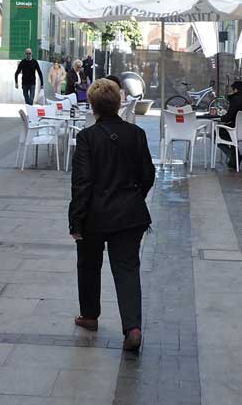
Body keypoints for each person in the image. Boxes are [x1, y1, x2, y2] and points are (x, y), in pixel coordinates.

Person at [69, 79, 156, 352]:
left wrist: (76, 220)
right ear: (119, 104)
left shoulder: (86, 138)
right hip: (130, 214)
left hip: (94, 215)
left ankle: (90, 315)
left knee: (88, 264)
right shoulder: (136, 134)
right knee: (127, 268)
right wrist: (134, 197)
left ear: (92, 106)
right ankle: (133, 327)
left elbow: (82, 182)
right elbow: (148, 174)